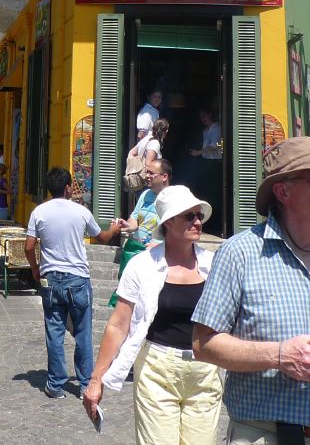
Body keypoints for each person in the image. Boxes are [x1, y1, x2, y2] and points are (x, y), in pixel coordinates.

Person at [191, 136, 310, 445]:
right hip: (264, 434)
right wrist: (279, 355)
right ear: (283, 191)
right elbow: (204, 343)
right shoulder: (241, 253)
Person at [84, 185, 218, 443]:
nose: (198, 222)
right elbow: (118, 325)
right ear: (169, 222)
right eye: (189, 216)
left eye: (199, 215)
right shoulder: (142, 266)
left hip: (205, 370)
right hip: (157, 369)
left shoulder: (213, 264)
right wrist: (96, 379)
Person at [25, 167, 126, 399]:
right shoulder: (81, 212)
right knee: (82, 333)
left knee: (55, 331)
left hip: (51, 279)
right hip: (78, 279)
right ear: (68, 187)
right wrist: (114, 229)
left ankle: (55, 384)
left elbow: (29, 246)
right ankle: (84, 385)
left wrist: (34, 268)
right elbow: (100, 238)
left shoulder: (39, 212)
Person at [110, 156, 172, 305]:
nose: (147, 176)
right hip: (138, 250)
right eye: (147, 172)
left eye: (151, 173)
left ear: (164, 177)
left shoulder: (172, 198)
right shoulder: (145, 195)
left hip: (158, 254)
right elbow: (135, 221)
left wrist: (160, 246)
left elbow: (176, 230)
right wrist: (125, 225)